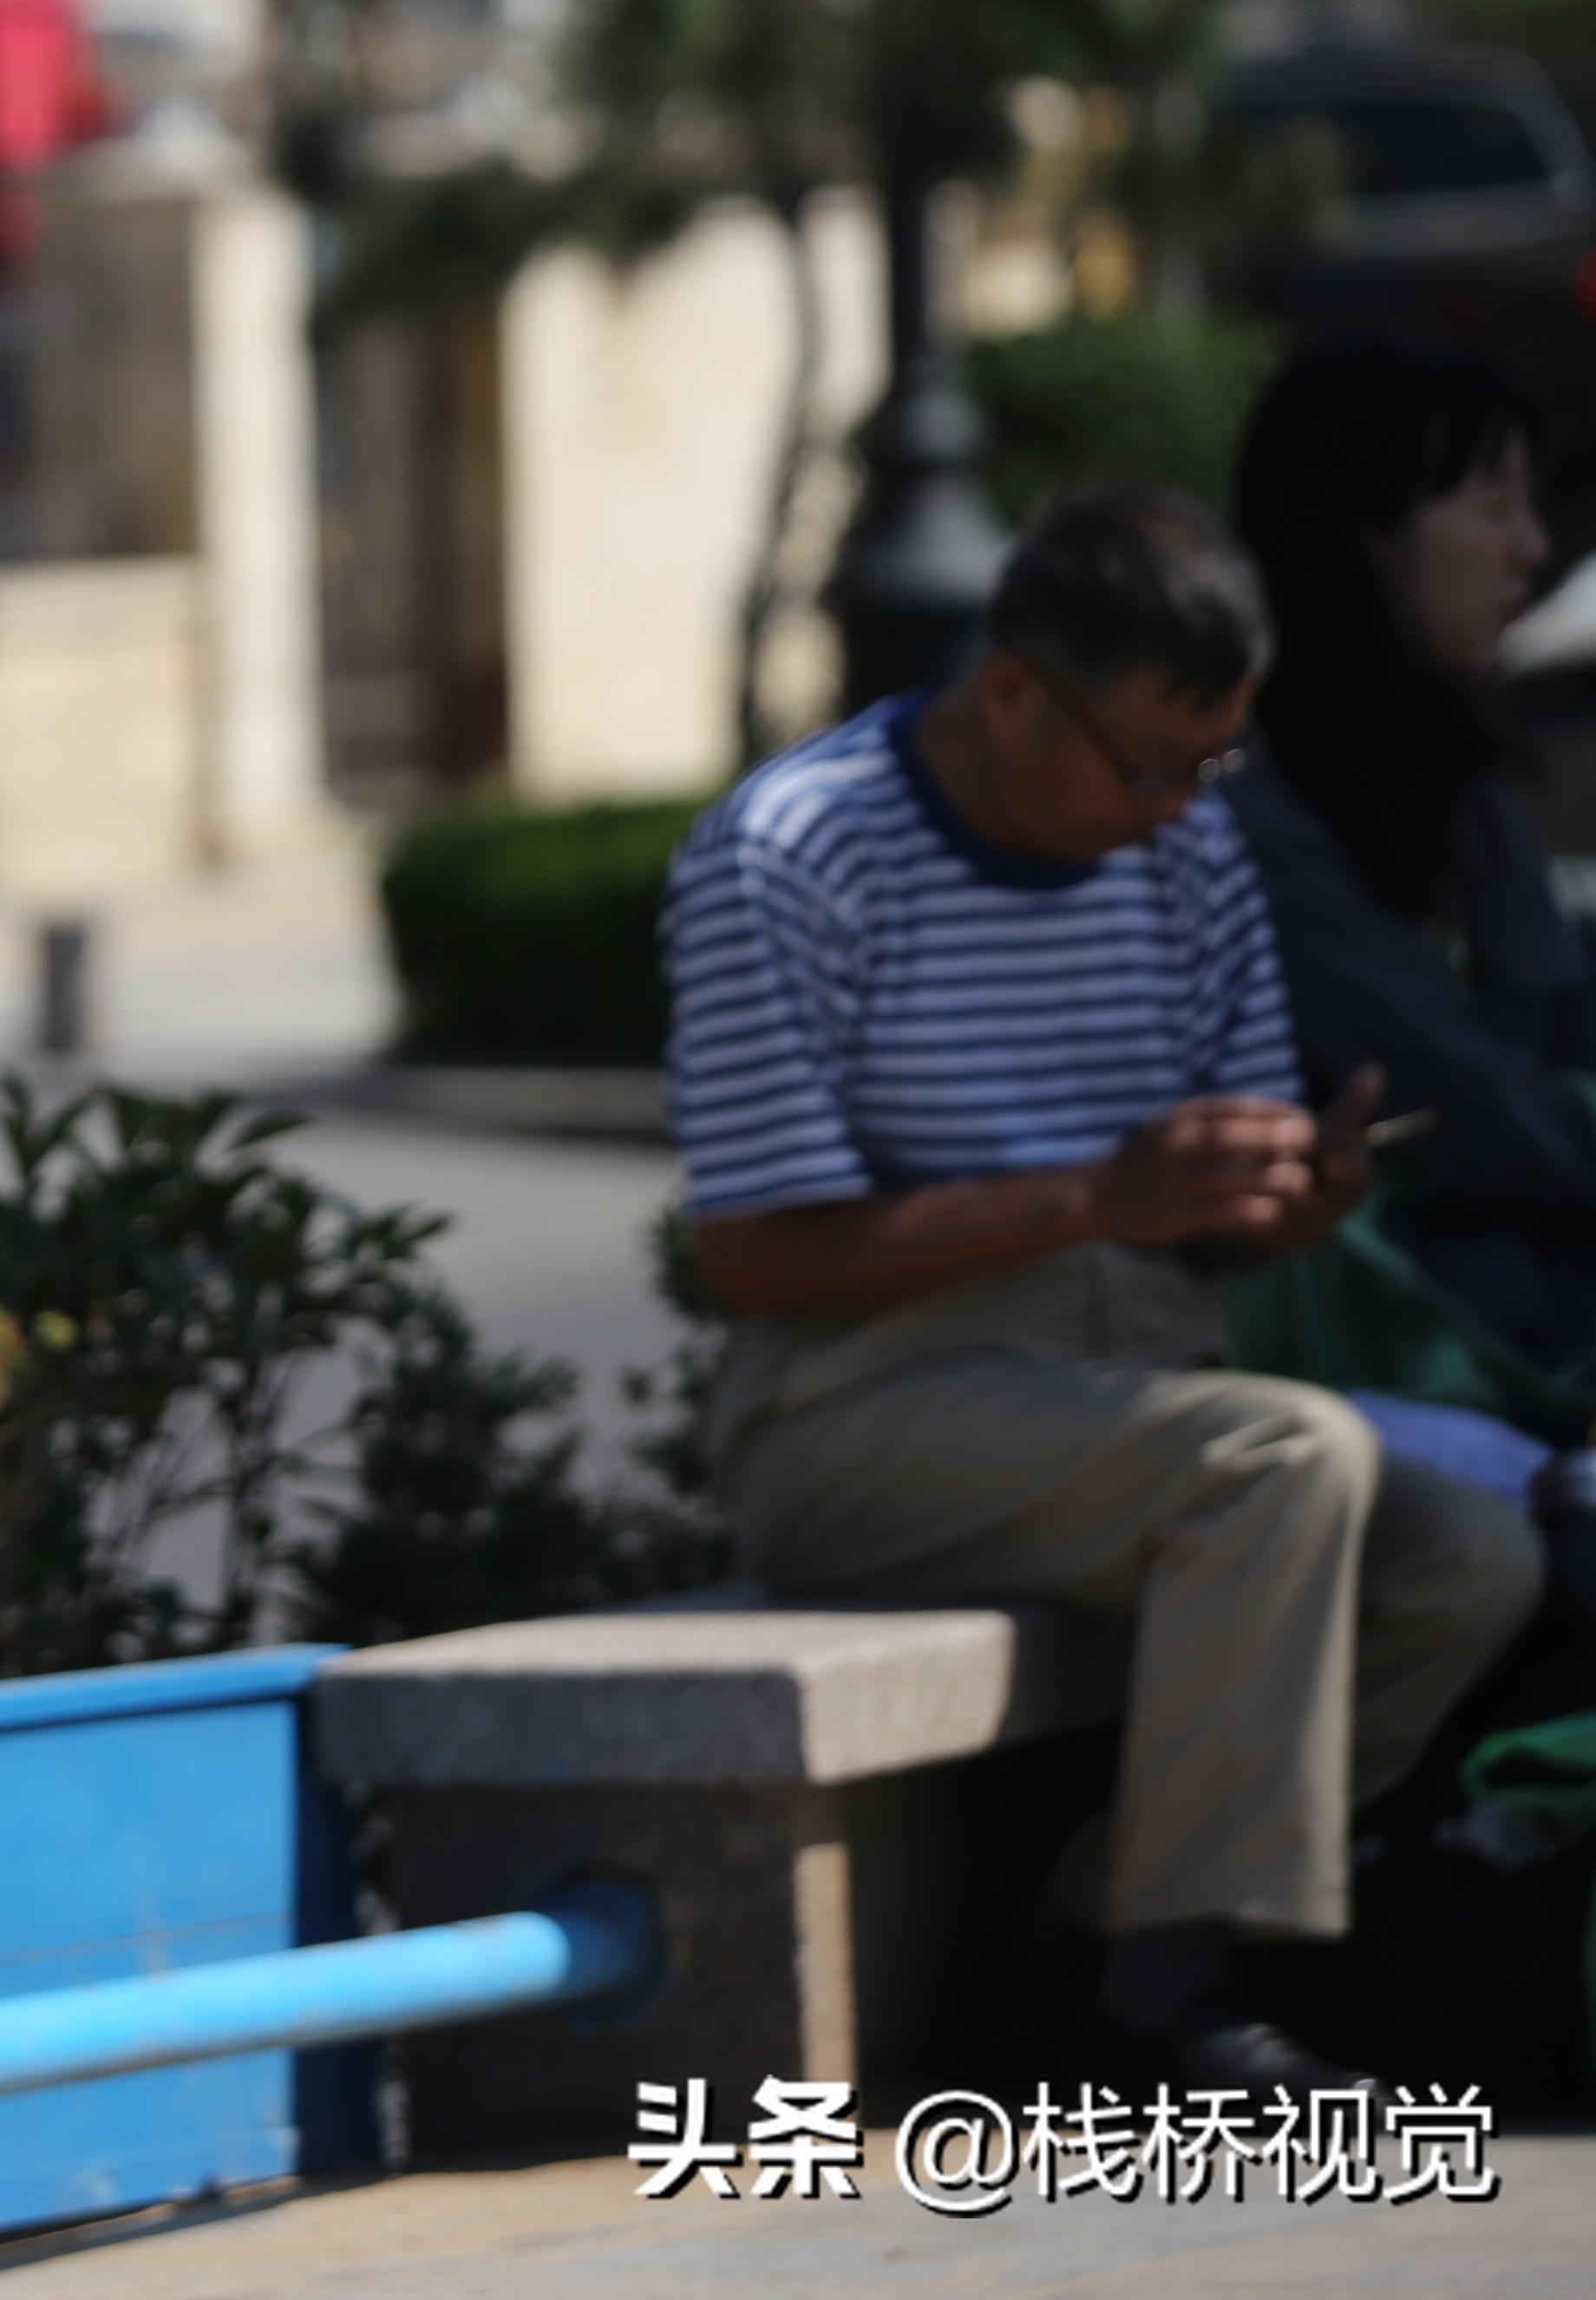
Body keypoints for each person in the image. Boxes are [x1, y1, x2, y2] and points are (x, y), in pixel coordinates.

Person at [663, 485, 1546, 2089]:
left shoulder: (1185, 843)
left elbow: (1202, 1227)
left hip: (1135, 1378)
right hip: (861, 1406)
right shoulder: (787, 850)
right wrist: (1093, 1194)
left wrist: (1278, 1202)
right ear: (1010, 688)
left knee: (1470, 1555)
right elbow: (750, 1251)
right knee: (1281, 1464)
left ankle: (1079, 1929)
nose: (1175, 804)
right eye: (1148, 761)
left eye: (1213, 763)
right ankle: (1168, 1990)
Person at [1229, 328, 1596, 1379]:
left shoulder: (1457, 781)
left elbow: (1569, 1017)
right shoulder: (1245, 810)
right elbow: (1458, 1101)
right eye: (1493, 508)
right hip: (1400, 1341)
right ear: (1369, 538)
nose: (1531, 546)